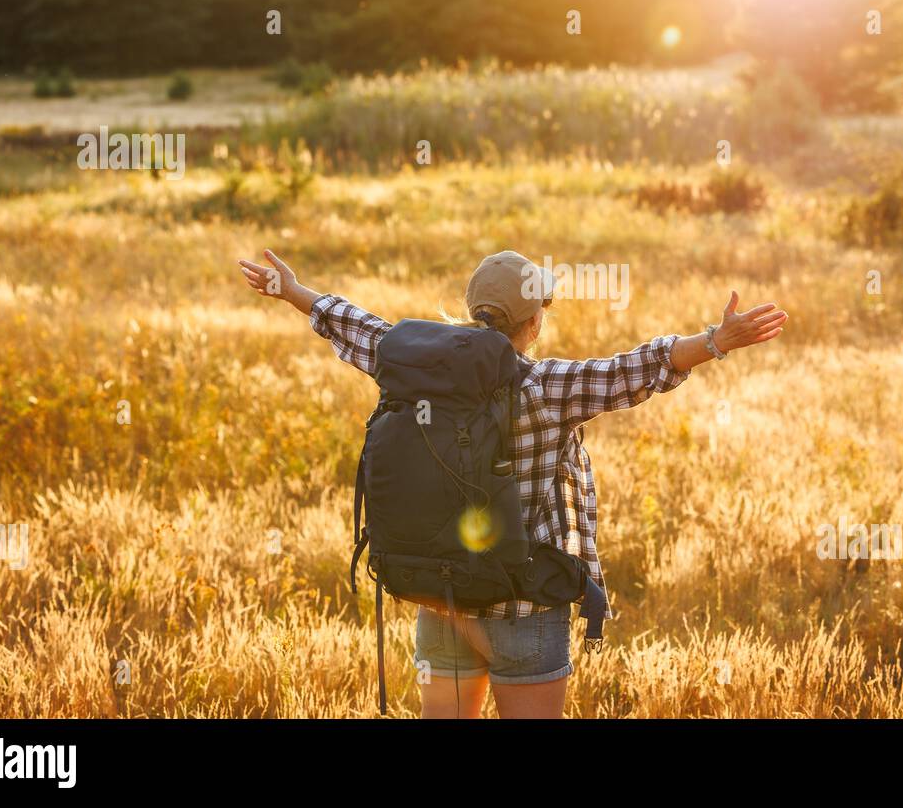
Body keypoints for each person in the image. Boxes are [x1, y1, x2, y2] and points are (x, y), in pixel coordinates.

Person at [238, 248, 786, 717]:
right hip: (521, 610)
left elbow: (354, 323)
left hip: (441, 600)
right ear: (534, 322)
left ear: (473, 308)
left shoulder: (410, 361)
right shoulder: (547, 387)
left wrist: (292, 291)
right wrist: (715, 340)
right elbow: (635, 369)